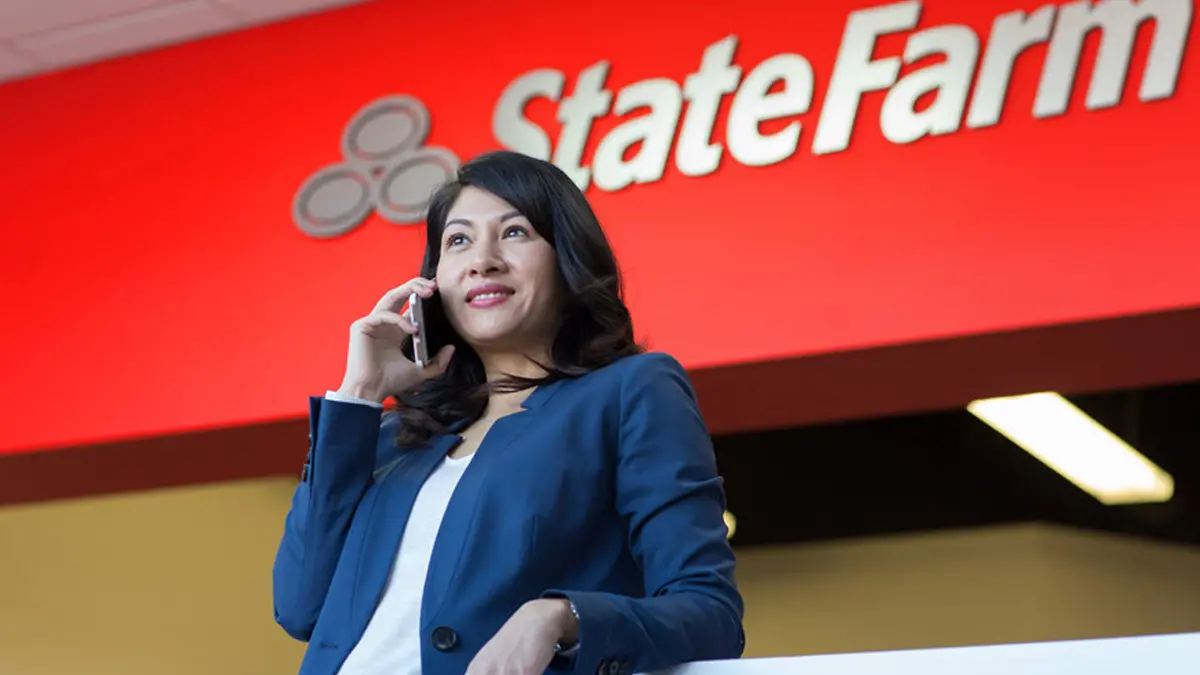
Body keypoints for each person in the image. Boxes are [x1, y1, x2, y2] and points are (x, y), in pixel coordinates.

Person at [272, 150, 745, 675]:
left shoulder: (631, 390)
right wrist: (359, 393)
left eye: (515, 232)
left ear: (566, 258)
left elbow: (710, 613)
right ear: (432, 285)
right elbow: (299, 607)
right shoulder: (394, 437)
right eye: (458, 240)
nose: (483, 260)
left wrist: (560, 617)